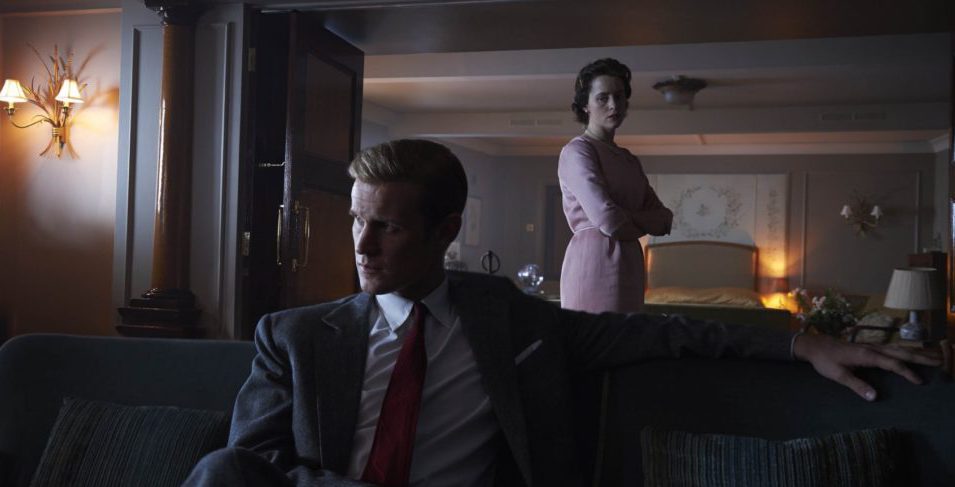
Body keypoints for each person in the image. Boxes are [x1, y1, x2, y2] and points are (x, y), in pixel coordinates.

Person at [184, 139, 938, 487]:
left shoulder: (512, 321)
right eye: (356, 219)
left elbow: (664, 329)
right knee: (218, 470)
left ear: (446, 231)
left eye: (387, 226)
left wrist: (802, 345)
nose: (361, 244)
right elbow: (256, 464)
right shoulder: (294, 335)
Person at [558, 58, 672, 314]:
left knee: (628, 335)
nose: (613, 105)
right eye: (603, 98)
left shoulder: (629, 159)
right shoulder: (578, 151)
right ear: (585, 105)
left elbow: (664, 220)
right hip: (594, 261)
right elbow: (609, 221)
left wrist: (626, 218)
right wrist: (639, 220)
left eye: (619, 97)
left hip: (631, 263)